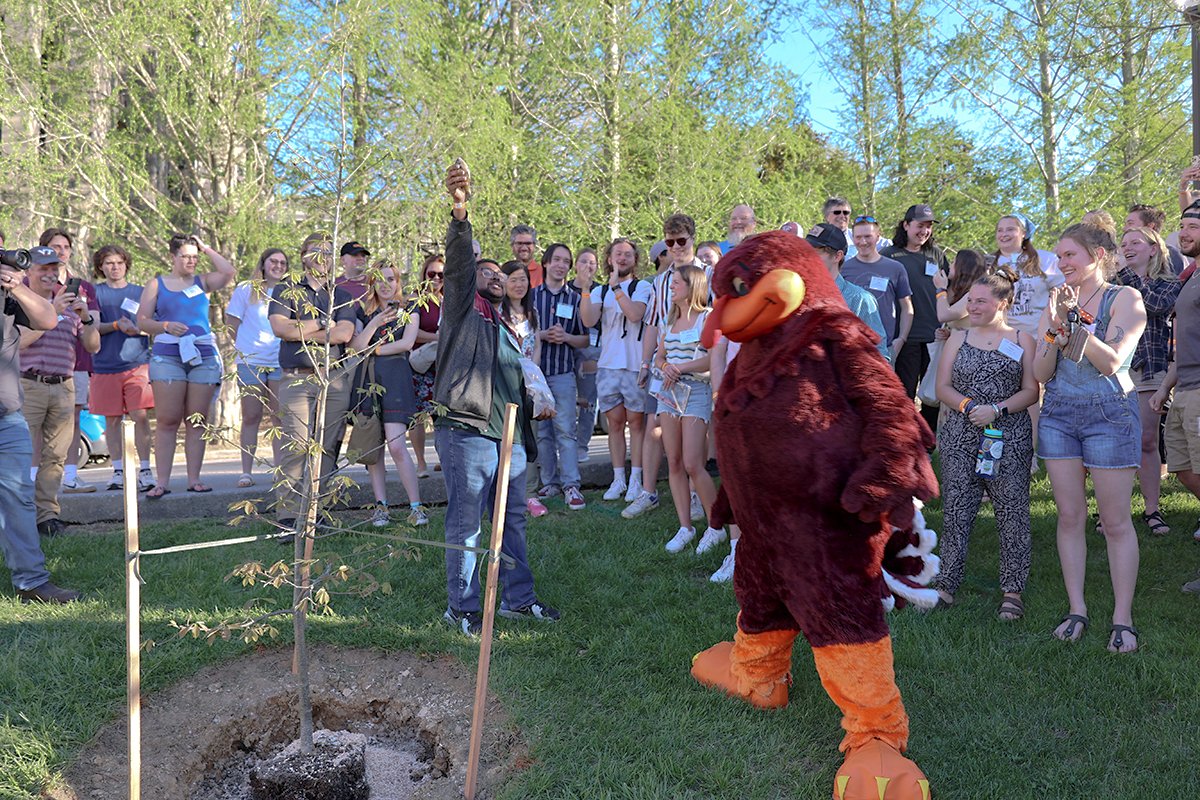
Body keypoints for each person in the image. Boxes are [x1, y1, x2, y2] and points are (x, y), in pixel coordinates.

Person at [436, 160, 559, 636]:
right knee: (467, 522)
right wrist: (461, 214)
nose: (491, 275)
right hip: (467, 430)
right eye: (484, 271)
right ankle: (462, 607)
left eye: (497, 273)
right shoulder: (466, 312)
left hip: (510, 438)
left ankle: (518, 599)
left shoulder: (509, 329)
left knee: (512, 524)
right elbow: (462, 265)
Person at [1035, 223, 1146, 653]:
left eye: (1070, 256)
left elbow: (1112, 360)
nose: (1061, 264)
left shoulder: (1125, 298)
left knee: (1116, 522)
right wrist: (1055, 325)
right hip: (1059, 412)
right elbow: (1042, 373)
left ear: (1098, 255)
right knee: (1069, 517)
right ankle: (1077, 607)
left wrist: (1074, 323)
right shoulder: (1056, 301)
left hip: (1109, 413)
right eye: (1059, 257)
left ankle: (1122, 617)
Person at [933, 269, 1038, 619]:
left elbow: (1031, 390)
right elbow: (942, 388)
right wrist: (968, 407)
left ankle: (1012, 590)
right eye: (969, 300)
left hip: (1009, 436)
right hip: (961, 436)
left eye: (980, 301)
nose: (972, 306)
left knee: (1012, 512)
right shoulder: (957, 339)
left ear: (1002, 304)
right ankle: (946, 583)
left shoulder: (1023, 339)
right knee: (957, 509)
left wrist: (996, 409)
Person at [0, 253, 80, 602]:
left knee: (19, 498)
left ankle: (32, 582)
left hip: (7, 413)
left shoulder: (9, 293)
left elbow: (48, 319)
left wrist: (17, 287)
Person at [268, 233, 357, 530]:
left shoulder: (341, 296)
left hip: (334, 381)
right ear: (304, 254)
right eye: (316, 250)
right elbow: (281, 328)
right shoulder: (287, 290)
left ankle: (317, 515)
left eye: (328, 252)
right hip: (297, 380)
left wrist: (302, 329)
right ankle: (289, 518)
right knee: (296, 446)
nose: (322, 256)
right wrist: (321, 323)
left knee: (327, 447)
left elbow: (344, 334)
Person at [137, 234, 234, 496]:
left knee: (197, 420)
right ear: (173, 257)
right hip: (168, 354)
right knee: (168, 420)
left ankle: (194, 479)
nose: (191, 261)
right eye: (186, 256)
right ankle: (162, 482)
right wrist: (165, 326)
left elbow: (228, 272)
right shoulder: (156, 284)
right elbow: (142, 321)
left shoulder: (202, 282)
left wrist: (206, 248)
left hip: (202, 354)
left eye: (195, 256)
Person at [626, 214, 707, 519]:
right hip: (665, 367)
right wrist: (646, 363)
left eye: (681, 241)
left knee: (697, 436)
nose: (675, 247)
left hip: (700, 371)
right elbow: (653, 326)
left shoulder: (708, 275)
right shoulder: (660, 281)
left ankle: (699, 495)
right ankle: (648, 492)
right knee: (653, 427)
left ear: (692, 239)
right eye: (669, 242)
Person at [18, 246, 100, 535]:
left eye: (54, 268)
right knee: (20, 453)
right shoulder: (19, 301)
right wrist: (51, 313)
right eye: (43, 268)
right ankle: (17, 517)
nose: (50, 274)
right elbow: (18, 343)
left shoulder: (69, 303)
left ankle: (47, 517)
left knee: (56, 456)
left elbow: (93, 346)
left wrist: (86, 318)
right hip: (28, 384)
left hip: (63, 386)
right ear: (28, 271)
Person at [654, 265, 725, 555]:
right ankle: (686, 527)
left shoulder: (707, 318)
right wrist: (665, 367)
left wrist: (679, 367)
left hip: (695, 391)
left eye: (676, 284)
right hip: (669, 393)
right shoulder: (669, 320)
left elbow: (712, 360)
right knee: (673, 461)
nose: (671, 288)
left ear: (692, 286)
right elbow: (659, 357)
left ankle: (716, 526)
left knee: (693, 463)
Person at [350, 259, 428, 528]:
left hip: (396, 380)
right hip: (369, 381)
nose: (386, 285)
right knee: (375, 447)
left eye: (391, 279)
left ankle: (416, 507)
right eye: (380, 279)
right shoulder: (363, 312)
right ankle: (381, 507)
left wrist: (375, 349)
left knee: (396, 445)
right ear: (372, 283)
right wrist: (374, 325)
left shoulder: (409, 309)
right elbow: (355, 345)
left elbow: (406, 344)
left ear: (398, 282)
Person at [1115, 227, 1180, 536]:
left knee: (1146, 441)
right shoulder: (1111, 285)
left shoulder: (1169, 284)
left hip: (1150, 369)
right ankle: (1111, 510)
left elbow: (1154, 305)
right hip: (1114, 369)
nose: (1127, 247)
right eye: (1124, 244)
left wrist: (1127, 276)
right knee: (1116, 441)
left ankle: (1152, 510)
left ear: (1153, 248)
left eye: (1135, 243)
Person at [579, 237, 651, 501]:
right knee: (615, 424)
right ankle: (618, 478)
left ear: (635, 260)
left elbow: (635, 315)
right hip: (608, 365)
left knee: (637, 423)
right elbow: (589, 319)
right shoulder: (600, 291)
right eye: (617, 254)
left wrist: (618, 289)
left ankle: (636, 479)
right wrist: (586, 289)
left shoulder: (642, 286)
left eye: (628, 255)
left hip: (633, 365)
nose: (622, 258)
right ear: (609, 258)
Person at [41, 227, 101, 494]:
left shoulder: (83, 286)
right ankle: (40, 478)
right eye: (55, 247)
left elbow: (94, 324)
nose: (61, 252)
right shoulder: (39, 283)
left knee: (74, 420)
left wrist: (83, 313)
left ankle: (71, 475)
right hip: (43, 360)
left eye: (65, 247)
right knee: (41, 422)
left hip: (77, 361)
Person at [90, 244, 154, 492]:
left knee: (140, 416)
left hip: (137, 364)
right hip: (104, 365)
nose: (114, 267)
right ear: (101, 267)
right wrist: (116, 325)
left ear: (126, 264)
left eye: (118, 262)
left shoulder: (141, 292)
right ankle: (118, 471)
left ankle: (146, 469)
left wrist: (140, 328)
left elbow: (153, 325)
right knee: (112, 420)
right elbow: (92, 327)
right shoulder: (94, 293)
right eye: (108, 263)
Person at [883, 204, 949, 436]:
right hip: (905, 336)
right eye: (920, 225)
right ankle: (903, 441)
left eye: (929, 226)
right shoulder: (889, 255)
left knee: (933, 396)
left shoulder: (937, 255)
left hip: (935, 336)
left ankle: (926, 442)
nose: (924, 231)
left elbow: (950, 291)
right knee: (904, 394)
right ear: (906, 225)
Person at [531, 243, 588, 510]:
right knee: (543, 432)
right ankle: (549, 482)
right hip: (536, 375)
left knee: (565, 431)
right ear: (546, 263)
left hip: (563, 373)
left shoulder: (575, 300)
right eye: (557, 259)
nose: (561, 265)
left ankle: (571, 485)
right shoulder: (530, 297)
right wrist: (541, 336)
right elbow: (519, 334)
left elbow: (586, 339)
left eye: (566, 261)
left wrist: (565, 337)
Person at [226, 248, 288, 487]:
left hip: (280, 361)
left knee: (279, 418)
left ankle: (281, 470)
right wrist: (244, 349)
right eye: (274, 261)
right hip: (251, 362)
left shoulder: (287, 292)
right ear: (263, 264)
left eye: (283, 263)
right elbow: (231, 323)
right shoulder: (245, 289)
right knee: (251, 416)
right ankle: (246, 471)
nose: (278, 266)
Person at [499, 260, 547, 517]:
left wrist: (532, 376)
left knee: (529, 437)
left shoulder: (532, 313)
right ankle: (502, 492)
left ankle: (530, 493)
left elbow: (536, 346)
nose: (519, 285)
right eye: (513, 279)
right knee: (503, 439)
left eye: (523, 279)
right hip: (503, 384)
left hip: (528, 386)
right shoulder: (497, 313)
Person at [806, 223, 891, 362]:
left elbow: (880, 357)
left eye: (816, 252)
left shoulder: (860, 300)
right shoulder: (798, 294)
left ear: (837, 256)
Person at [842, 215, 911, 363]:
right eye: (858, 237)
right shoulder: (844, 268)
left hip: (884, 349)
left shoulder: (895, 268)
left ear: (878, 237)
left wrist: (901, 339)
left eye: (868, 236)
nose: (863, 242)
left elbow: (907, 307)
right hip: (851, 348)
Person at [409, 253, 444, 478]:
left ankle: (443, 457)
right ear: (424, 274)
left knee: (442, 414)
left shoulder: (451, 299)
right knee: (419, 415)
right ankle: (421, 462)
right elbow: (411, 333)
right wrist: (438, 338)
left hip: (444, 363)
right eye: (432, 273)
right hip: (420, 363)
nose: (437, 278)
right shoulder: (416, 299)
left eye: (442, 274)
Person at [571, 248, 602, 460]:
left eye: (592, 262)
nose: (588, 266)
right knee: (565, 401)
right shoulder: (565, 289)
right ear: (575, 265)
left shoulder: (601, 290)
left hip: (591, 347)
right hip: (565, 346)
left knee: (587, 401)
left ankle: (582, 445)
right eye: (583, 261)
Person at [1125, 204, 1185, 275]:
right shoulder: (1126, 253)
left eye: (1130, 223)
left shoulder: (1171, 255)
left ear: (1150, 226)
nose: (1125, 228)